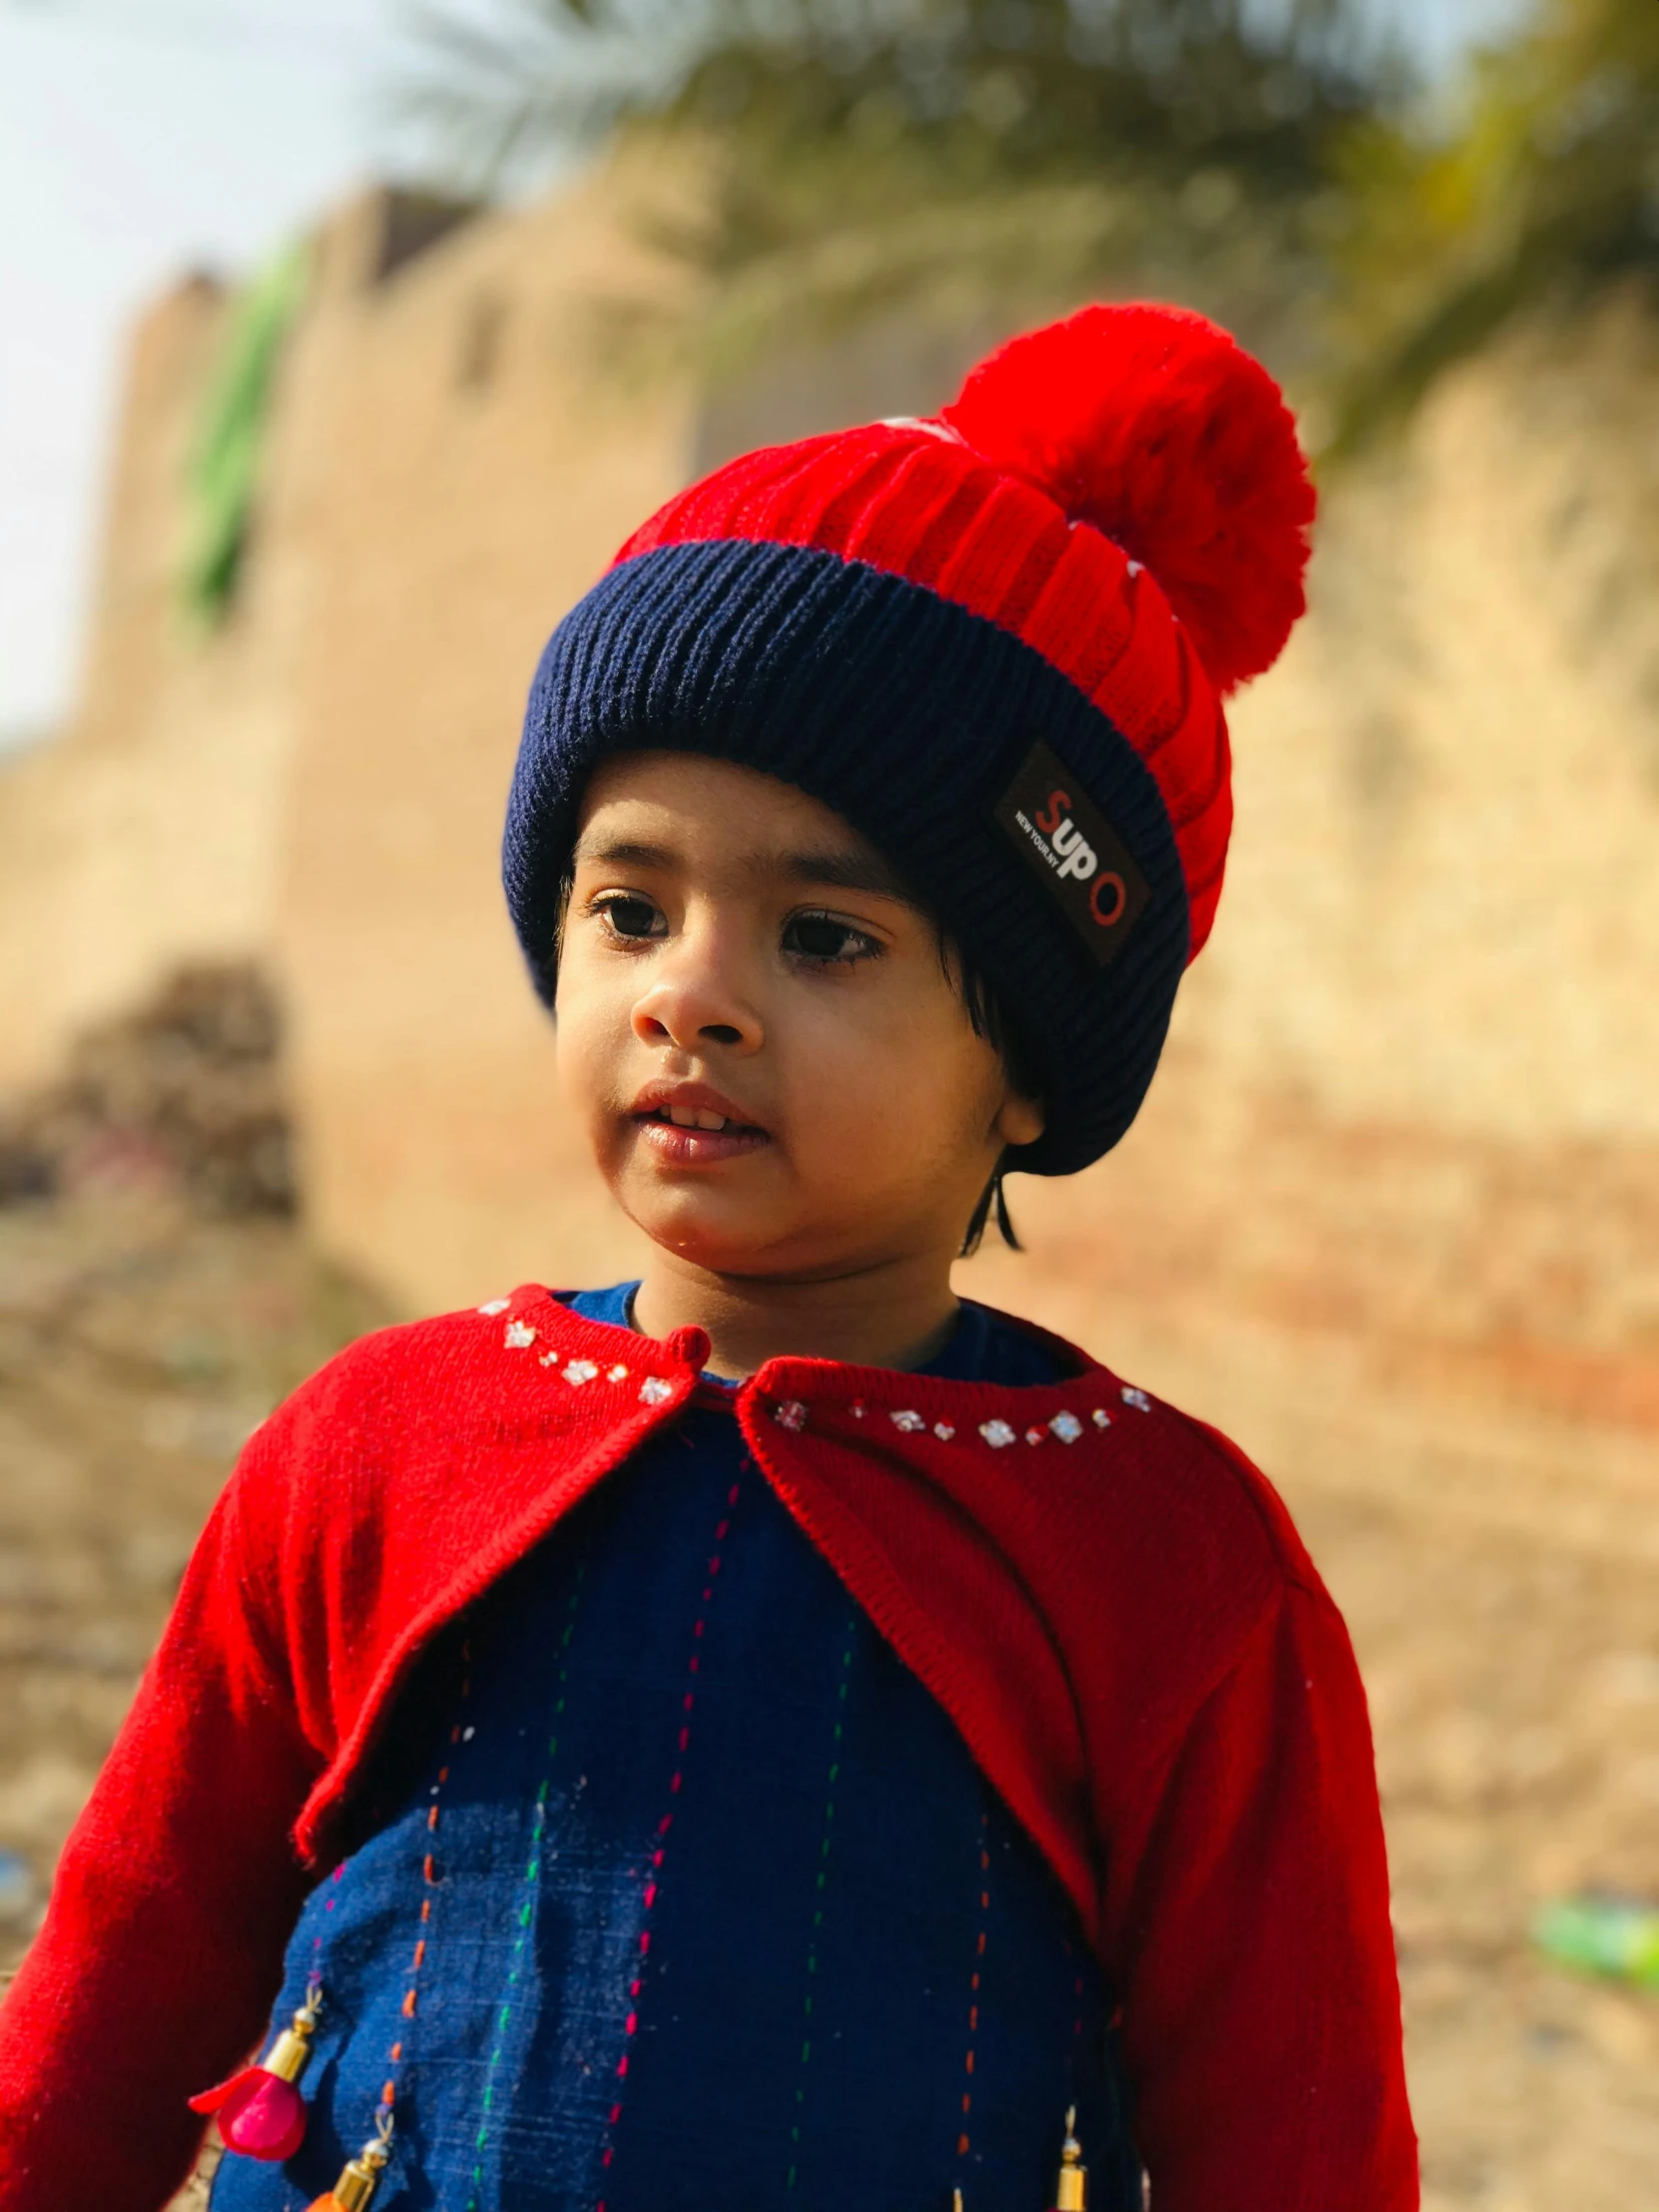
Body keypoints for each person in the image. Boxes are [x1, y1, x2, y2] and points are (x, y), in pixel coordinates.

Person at [0, 302, 1417, 2212]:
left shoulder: (1173, 1567)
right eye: (627, 906)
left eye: (823, 937)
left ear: (1028, 1065)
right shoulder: (374, 1444)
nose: (693, 999)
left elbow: (1297, 2148)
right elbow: (109, 2005)